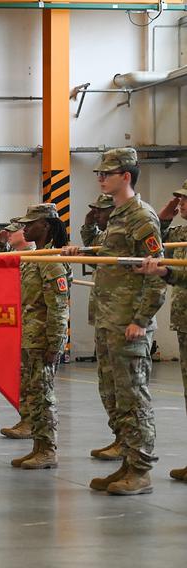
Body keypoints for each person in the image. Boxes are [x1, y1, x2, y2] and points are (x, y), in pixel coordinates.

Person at [64, 148, 165, 496]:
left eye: (108, 173)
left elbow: (157, 273)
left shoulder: (141, 216)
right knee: (113, 394)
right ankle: (125, 460)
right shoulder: (117, 216)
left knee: (133, 396)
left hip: (128, 323)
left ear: (127, 176)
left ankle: (140, 470)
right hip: (108, 319)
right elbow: (111, 259)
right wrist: (84, 251)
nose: (101, 178)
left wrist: (141, 319)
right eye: (99, 173)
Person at [134, 178, 187, 483]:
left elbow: (177, 272)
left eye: (185, 200)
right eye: (179, 198)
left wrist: (166, 272)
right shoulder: (181, 232)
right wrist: (166, 213)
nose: (180, 203)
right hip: (183, 322)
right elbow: (159, 239)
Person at [10, 203, 69, 470]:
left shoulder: (51, 260)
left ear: (45, 225)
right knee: (33, 395)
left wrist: (57, 343)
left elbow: (58, 305)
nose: (24, 228)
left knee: (43, 395)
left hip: (42, 340)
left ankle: (48, 449)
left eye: (30, 224)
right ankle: (37, 445)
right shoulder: (35, 257)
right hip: (28, 337)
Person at [0, 218, 37, 441]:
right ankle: (26, 418)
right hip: (15, 324)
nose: (9, 235)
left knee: (32, 379)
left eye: (14, 232)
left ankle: (31, 422)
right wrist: (1, 244)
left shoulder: (36, 256)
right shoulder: (16, 256)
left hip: (31, 326)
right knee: (20, 377)